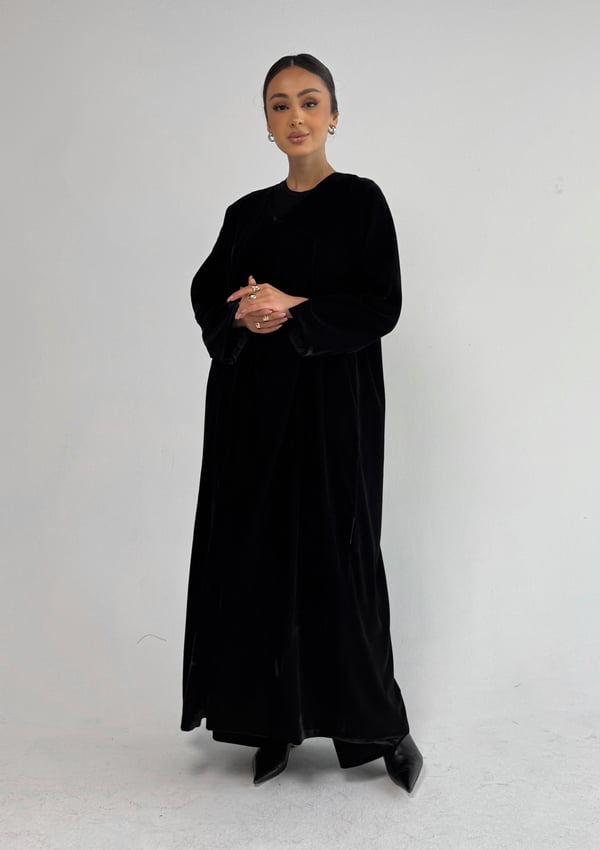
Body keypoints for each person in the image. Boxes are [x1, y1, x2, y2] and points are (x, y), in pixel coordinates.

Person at [180, 53, 423, 793]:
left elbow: (381, 303)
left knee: (341, 555)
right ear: (265, 121)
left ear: (334, 115)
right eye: (280, 104)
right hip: (253, 410)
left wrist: (295, 306)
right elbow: (209, 293)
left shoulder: (361, 202)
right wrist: (244, 314)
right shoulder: (246, 214)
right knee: (257, 557)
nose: (295, 117)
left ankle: (381, 726)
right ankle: (270, 724)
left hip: (334, 410)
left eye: (310, 102)